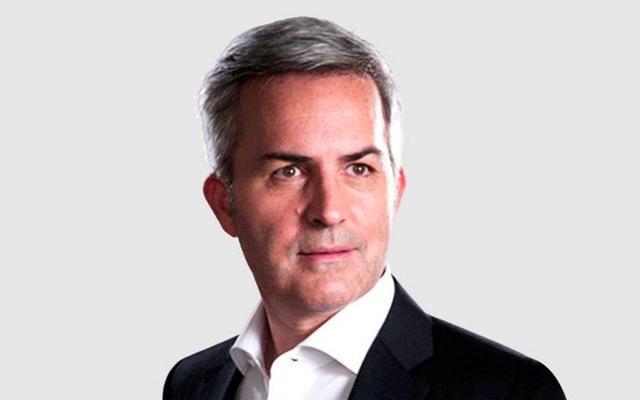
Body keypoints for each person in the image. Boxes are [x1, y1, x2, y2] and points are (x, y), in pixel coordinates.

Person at [163, 16, 566, 400]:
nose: (329, 211)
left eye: (358, 169)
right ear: (224, 203)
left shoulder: (510, 392)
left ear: (395, 192)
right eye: (288, 172)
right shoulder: (191, 384)